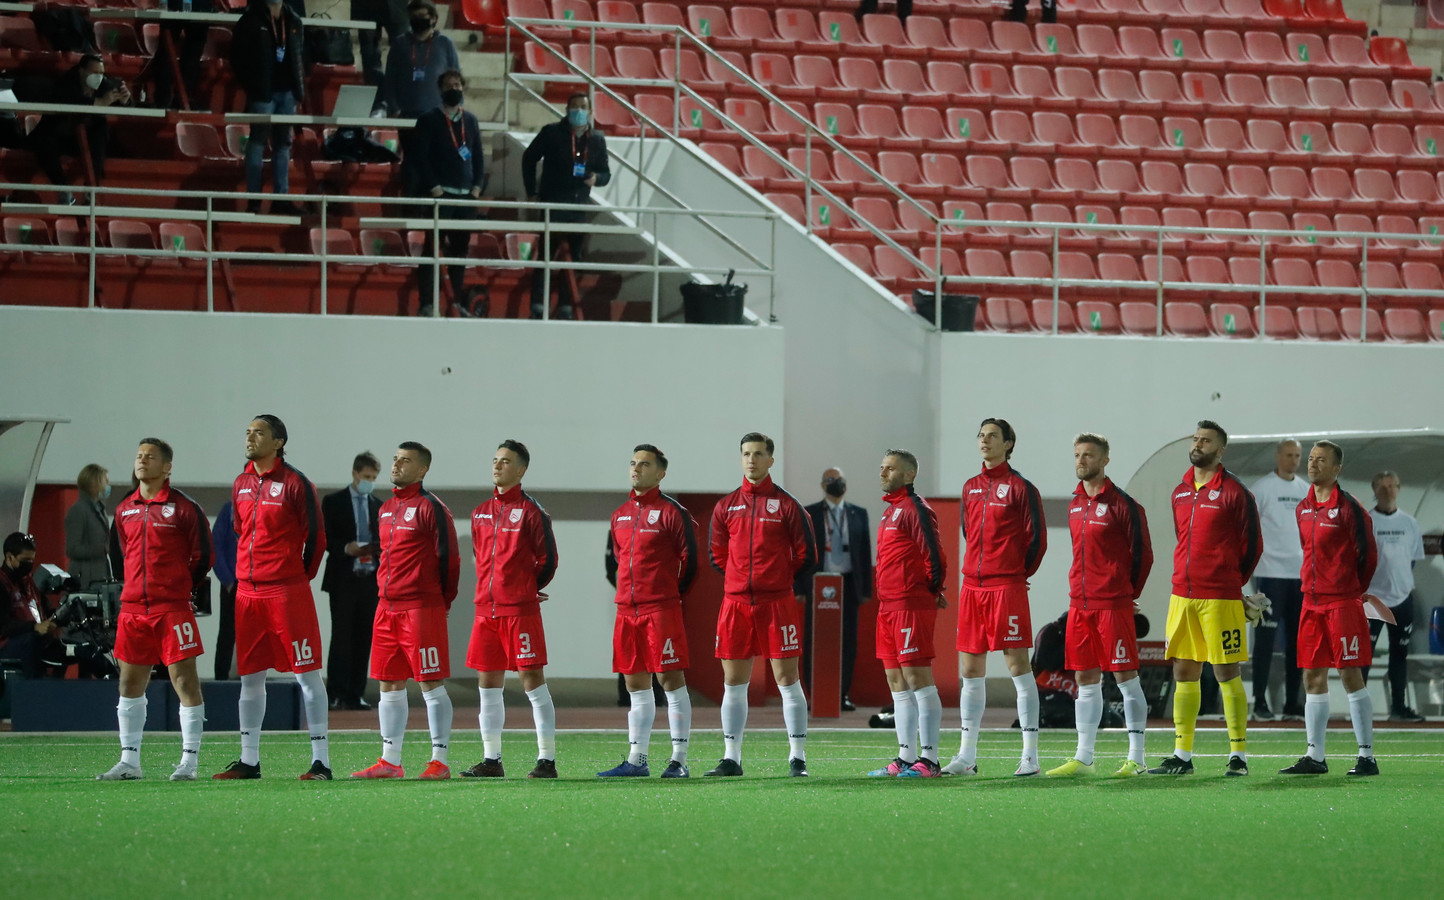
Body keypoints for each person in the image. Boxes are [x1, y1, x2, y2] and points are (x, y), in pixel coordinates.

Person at [213, 415, 331, 781]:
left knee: (307, 675)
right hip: (248, 594)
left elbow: (318, 540)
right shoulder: (241, 482)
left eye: (259, 432)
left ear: (278, 441)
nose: (250, 437)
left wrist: (296, 578)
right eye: (247, 431)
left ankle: (321, 762)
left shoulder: (296, 483)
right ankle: (249, 760)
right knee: (250, 677)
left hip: (286, 592)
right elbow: (238, 532)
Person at [1150, 420, 1261, 777]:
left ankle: (1239, 756)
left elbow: (1252, 547)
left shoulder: (1236, 492)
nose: (1199, 444)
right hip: (1182, 595)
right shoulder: (1180, 490)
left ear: (1220, 449)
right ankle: (1182, 755)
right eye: (1196, 439)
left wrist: (1230, 583)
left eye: (1206, 440)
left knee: (1226, 672)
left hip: (1220, 598)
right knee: (1184, 670)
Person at [97, 438, 213, 781]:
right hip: (133, 610)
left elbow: (203, 556)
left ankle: (189, 762)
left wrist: (180, 588)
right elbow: (119, 555)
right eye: (139, 456)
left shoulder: (184, 508)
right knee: (129, 683)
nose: (142, 461)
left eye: (150, 457)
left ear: (167, 467)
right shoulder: (124, 509)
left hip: (172, 609)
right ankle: (129, 762)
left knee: (184, 681)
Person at [707, 432, 816, 778]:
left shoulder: (788, 506)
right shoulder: (726, 506)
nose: (751, 460)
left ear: (771, 460)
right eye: (745, 454)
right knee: (733, 682)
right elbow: (717, 555)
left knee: (787, 678)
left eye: (758, 454)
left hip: (777, 604)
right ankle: (731, 758)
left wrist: (775, 580)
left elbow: (806, 555)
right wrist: (742, 580)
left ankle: (797, 756)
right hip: (736, 605)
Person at [1046, 433, 1155, 778]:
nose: (1081, 461)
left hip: (1112, 605)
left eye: (1088, 455)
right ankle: (1084, 758)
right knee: (1085, 678)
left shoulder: (1125, 505)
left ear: (1105, 460)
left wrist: (1126, 594)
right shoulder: (1075, 503)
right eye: (1077, 454)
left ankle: (1136, 759)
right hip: (1080, 606)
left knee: (1125, 677)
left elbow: (1144, 556)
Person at [944, 418, 1046, 777]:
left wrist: (1018, 575)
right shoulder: (970, 487)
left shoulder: (1021, 488)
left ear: (1009, 444)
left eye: (993, 436)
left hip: (1007, 588)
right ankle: (967, 756)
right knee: (970, 670)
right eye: (981, 436)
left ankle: (1030, 757)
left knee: (1018, 666)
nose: (985, 441)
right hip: (973, 587)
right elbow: (968, 533)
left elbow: (1037, 541)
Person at [351, 442, 460, 780]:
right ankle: (390, 761)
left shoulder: (432, 508)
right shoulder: (384, 509)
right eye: (396, 459)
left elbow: (449, 560)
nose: (397, 465)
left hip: (420, 608)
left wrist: (442, 601)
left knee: (430, 683)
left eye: (406, 461)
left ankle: (439, 761)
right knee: (389, 683)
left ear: (423, 469)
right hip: (387, 609)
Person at [1278, 441, 1380, 777]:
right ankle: (1315, 756)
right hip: (1311, 602)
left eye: (1321, 460)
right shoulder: (1303, 508)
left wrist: (1351, 591)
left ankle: (1366, 756)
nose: (1313, 464)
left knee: (1351, 674)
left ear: (1337, 469)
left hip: (1343, 603)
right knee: (1312, 675)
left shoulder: (1351, 509)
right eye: (1310, 459)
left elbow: (1368, 557)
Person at [461, 440, 560, 779]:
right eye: (495, 460)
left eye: (505, 461)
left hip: (519, 611)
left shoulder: (532, 512)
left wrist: (528, 589)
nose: (497, 465)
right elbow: (478, 555)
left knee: (532, 681)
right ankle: (491, 760)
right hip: (485, 612)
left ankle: (546, 760)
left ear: (521, 469)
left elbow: (548, 560)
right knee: (487, 685)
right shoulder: (480, 512)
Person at [598, 444, 699, 778]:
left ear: (661, 472)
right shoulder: (619, 514)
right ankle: (637, 759)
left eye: (644, 464)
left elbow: (691, 563)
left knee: (670, 682)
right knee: (635, 686)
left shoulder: (673, 513)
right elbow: (614, 561)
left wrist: (667, 594)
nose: (636, 468)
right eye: (633, 463)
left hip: (661, 611)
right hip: (626, 612)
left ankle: (679, 759)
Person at [865, 449, 947, 778]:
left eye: (891, 469)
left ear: (909, 475)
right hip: (888, 606)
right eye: (882, 467)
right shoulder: (890, 511)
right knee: (896, 681)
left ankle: (930, 760)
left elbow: (935, 555)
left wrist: (930, 591)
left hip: (910, 604)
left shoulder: (916, 509)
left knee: (917, 678)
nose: (883, 473)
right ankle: (905, 757)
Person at [520, 93, 612, 320]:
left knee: (575, 258)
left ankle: (566, 306)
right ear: (567, 109)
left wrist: (596, 179)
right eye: (575, 107)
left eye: (583, 107)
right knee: (546, 257)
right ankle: (537, 306)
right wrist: (532, 192)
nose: (579, 111)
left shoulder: (597, 139)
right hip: (552, 203)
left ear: (590, 112)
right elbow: (528, 158)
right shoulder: (551, 133)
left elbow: (605, 173)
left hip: (579, 206)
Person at [411, 69, 485, 318]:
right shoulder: (429, 119)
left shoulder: (471, 121)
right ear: (441, 90)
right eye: (449, 85)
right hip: (440, 195)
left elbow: (478, 157)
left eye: (458, 85)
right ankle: (427, 303)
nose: (454, 89)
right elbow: (419, 158)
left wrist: (477, 188)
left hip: (465, 197)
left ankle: (454, 301)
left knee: (459, 252)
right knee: (432, 250)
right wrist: (434, 187)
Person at [798, 467, 872, 712]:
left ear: (846, 484)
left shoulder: (858, 514)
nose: (835, 484)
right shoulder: (809, 513)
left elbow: (865, 552)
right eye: (830, 480)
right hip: (818, 583)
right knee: (815, 639)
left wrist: (866, 590)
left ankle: (843, 694)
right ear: (822, 485)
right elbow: (801, 553)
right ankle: (814, 693)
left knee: (848, 641)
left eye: (839, 480)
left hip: (849, 583)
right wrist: (799, 586)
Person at [1247, 438, 1309, 721]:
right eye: (1288, 454)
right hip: (1270, 575)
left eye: (1297, 455)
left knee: (1298, 642)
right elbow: (1248, 529)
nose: (1293, 460)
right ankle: (1260, 701)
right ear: (1278, 456)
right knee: (1264, 640)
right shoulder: (1261, 488)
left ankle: (1292, 704)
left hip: (1299, 577)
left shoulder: (1306, 490)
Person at [231, 0, 305, 214]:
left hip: (287, 92)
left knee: (283, 144)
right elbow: (236, 58)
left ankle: (280, 199)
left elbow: (299, 57)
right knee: (257, 141)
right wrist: (252, 85)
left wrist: (298, 91)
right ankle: (254, 199)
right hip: (262, 93)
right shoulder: (250, 21)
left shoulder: (294, 20)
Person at [321, 452, 382, 710]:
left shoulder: (379, 505)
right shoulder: (334, 502)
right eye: (366, 476)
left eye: (373, 478)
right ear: (355, 474)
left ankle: (356, 693)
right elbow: (325, 538)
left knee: (364, 637)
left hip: (370, 579)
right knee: (342, 637)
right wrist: (347, 548)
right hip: (343, 577)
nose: (369, 481)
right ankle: (336, 692)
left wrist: (373, 548)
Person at [26, 54, 131, 204]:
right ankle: (63, 190)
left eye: (101, 73)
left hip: (86, 140)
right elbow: (70, 103)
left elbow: (122, 102)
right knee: (43, 144)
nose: (99, 77)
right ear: (81, 71)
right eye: (94, 73)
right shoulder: (65, 83)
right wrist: (98, 103)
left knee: (100, 131)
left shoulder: (105, 84)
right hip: (59, 135)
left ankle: (90, 190)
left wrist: (126, 101)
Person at [1365, 470, 1427, 722]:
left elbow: (1411, 561)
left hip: (1402, 600)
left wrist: (1399, 585)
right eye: (1382, 487)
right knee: (1363, 656)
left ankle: (1398, 707)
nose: (1388, 491)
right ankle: (1360, 708)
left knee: (1399, 655)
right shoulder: (1367, 521)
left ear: (1399, 489)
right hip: (1372, 600)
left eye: (1392, 486)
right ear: (1375, 490)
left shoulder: (1410, 523)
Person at [383, 0, 460, 192]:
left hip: (437, 115)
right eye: (414, 17)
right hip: (408, 115)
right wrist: (394, 108)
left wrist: (456, 107)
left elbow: (455, 77)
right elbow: (390, 78)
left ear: (433, 19)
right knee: (412, 162)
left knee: (436, 161)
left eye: (422, 17)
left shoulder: (445, 44)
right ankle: (411, 207)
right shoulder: (400, 44)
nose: (417, 21)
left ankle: (431, 207)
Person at [0, 533, 60, 678]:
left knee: (80, 649)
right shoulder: (2, 584)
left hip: (35, 639)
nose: (29, 564)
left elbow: (46, 609)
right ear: (9, 557)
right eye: (25, 560)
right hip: (8, 645)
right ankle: (34, 690)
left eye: (31, 560)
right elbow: (3, 625)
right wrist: (34, 627)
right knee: (31, 641)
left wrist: (58, 618)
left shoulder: (29, 583)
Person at [153, 0, 213, 110]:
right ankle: (166, 99)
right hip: (178, 6)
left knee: (193, 52)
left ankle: (180, 98)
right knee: (167, 49)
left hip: (198, 7)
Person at [65, 463, 112, 589]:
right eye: (105, 482)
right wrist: (100, 549)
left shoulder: (99, 509)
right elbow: (72, 549)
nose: (108, 486)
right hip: (85, 578)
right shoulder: (78, 510)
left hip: (99, 575)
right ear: (95, 484)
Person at [355, 0, 407, 108]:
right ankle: (377, 103)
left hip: (398, 6)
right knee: (369, 54)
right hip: (365, 6)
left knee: (403, 53)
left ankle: (400, 102)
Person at [211, 500, 239, 680]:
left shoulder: (267, 507)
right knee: (227, 634)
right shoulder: (229, 509)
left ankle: (255, 681)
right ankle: (221, 680)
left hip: (260, 584)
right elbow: (216, 545)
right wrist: (227, 580)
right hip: (233, 584)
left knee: (259, 637)